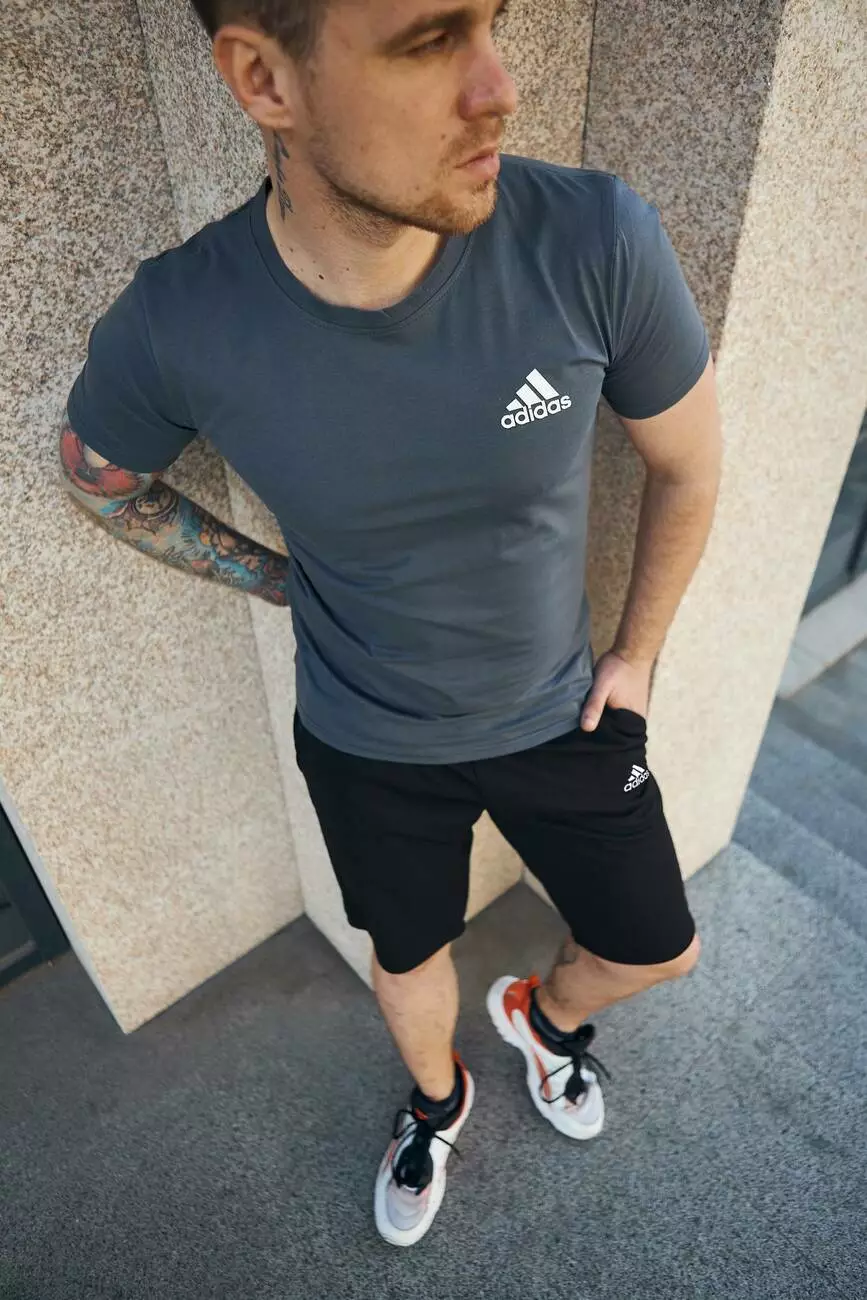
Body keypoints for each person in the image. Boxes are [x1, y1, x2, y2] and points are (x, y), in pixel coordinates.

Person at [60, 0, 722, 1249]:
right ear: (265, 80)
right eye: (430, 41)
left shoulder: (591, 238)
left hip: (562, 712)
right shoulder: (183, 318)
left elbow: (687, 465)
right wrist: (277, 578)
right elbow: (97, 479)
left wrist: (638, 655)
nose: (499, 87)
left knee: (659, 947)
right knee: (407, 955)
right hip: (366, 737)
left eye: (494, 22)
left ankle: (542, 1017)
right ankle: (438, 1098)